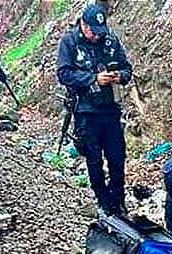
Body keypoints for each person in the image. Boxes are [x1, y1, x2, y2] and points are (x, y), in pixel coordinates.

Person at [57, 4, 133, 216]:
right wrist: (92, 79)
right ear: (83, 24)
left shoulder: (109, 40)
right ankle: (103, 201)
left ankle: (118, 201)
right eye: (92, 31)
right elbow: (64, 74)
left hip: (111, 109)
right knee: (94, 160)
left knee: (117, 158)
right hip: (86, 111)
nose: (96, 36)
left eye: (99, 32)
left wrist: (120, 76)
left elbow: (127, 68)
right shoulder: (70, 42)